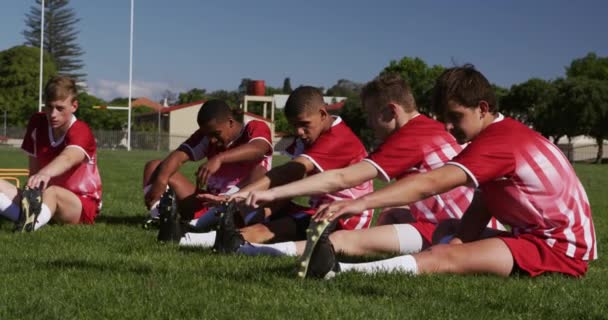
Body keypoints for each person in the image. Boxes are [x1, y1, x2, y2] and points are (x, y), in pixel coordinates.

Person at [302, 65, 596, 279]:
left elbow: (431, 182)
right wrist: (460, 241)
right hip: (535, 236)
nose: (448, 127)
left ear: (482, 108)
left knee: (444, 255)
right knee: (447, 231)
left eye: (455, 117)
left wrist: (360, 202)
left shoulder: (501, 141)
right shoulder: (500, 135)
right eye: (444, 119)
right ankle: (438, 257)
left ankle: (342, 272)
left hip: (559, 250)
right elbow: (482, 205)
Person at [235, 73, 502, 260]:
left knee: (337, 242)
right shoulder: (430, 129)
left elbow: (340, 178)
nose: (371, 125)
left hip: (454, 230)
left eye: (371, 116)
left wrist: (271, 193)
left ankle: (251, 251)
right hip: (474, 225)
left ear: (391, 111)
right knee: (391, 214)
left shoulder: (410, 137)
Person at [179, 86, 373, 249]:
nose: (299, 132)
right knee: (259, 208)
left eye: (304, 125)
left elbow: (289, 172)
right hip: (321, 209)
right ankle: (201, 226)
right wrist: (257, 208)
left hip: (345, 218)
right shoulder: (308, 137)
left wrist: (236, 196)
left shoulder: (337, 138)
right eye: (294, 125)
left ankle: (190, 239)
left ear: (323, 114)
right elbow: (289, 184)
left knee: (265, 229)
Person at [143, 99, 273, 232]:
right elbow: (178, 156)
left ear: (230, 122)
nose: (212, 140)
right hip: (209, 202)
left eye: (216, 134)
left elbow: (259, 149)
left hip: (242, 202)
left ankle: (222, 222)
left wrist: (219, 158)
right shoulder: (208, 134)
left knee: (261, 172)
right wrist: (161, 180)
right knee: (155, 167)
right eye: (208, 135)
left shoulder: (254, 127)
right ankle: (159, 218)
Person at [0, 75, 102, 231]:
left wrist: (45, 173)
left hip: (80, 204)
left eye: (60, 108)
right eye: (49, 107)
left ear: (74, 106)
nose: (53, 114)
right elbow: (33, 170)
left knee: (52, 193)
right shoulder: (37, 122)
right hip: (44, 197)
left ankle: (29, 225)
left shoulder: (81, 130)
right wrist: (32, 190)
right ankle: (29, 218)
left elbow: (68, 158)